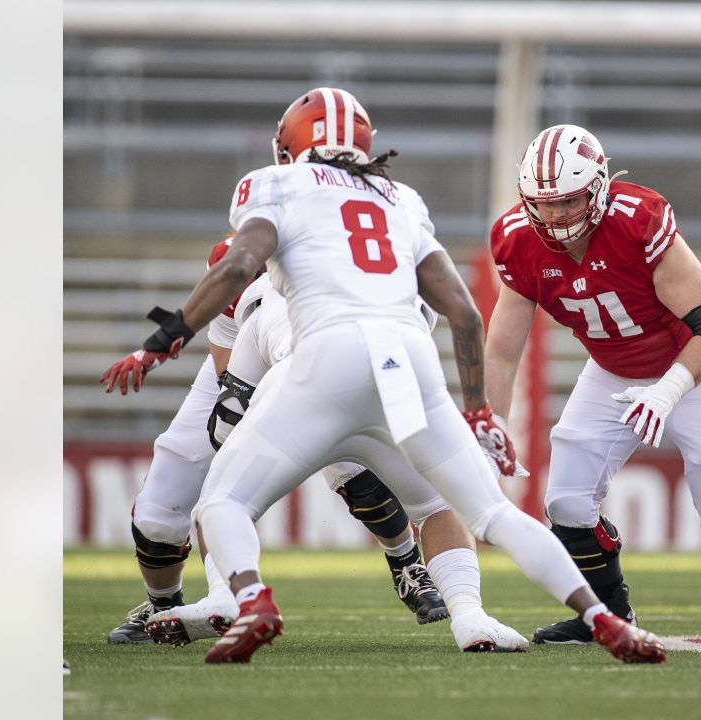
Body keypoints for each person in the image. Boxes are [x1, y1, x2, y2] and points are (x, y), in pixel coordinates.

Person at [101, 88, 665, 664]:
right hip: (408, 359)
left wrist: (159, 342)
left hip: (327, 354)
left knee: (221, 501)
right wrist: (478, 412)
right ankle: (602, 619)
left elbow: (240, 264)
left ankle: (250, 598)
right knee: (492, 512)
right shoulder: (401, 198)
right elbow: (465, 313)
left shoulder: (275, 185)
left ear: (289, 147)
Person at [485, 124, 701, 645]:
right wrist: (494, 423)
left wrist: (667, 391)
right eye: (543, 203)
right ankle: (606, 614)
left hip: (691, 368)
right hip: (610, 371)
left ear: (597, 187)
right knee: (567, 503)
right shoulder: (516, 240)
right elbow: (505, 348)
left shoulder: (636, 220)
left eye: (570, 202)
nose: (554, 216)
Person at [147, 273, 526, 653]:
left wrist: (240, 449)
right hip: (385, 395)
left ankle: (228, 595)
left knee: (221, 499)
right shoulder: (396, 270)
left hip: (299, 402)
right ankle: (470, 615)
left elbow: (230, 417)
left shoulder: (265, 299)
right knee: (438, 505)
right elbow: (438, 339)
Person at [103, 237, 446, 645]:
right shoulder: (238, 256)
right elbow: (228, 366)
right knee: (160, 514)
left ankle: (406, 563)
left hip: (330, 367)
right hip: (244, 373)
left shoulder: (360, 247)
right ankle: (164, 608)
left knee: (352, 461)